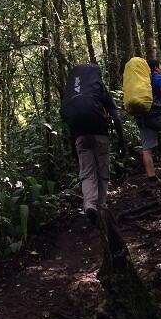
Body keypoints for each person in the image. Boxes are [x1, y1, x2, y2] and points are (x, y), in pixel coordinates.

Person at [61, 63, 126, 223]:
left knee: (87, 174)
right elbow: (115, 117)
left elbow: (70, 123)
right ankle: (101, 206)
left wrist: (72, 147)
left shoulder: (71, 94)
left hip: (80, 138)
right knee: (103, 173)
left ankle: (90, 204)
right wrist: (121, 141)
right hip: (100, 136)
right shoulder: (99, 89)